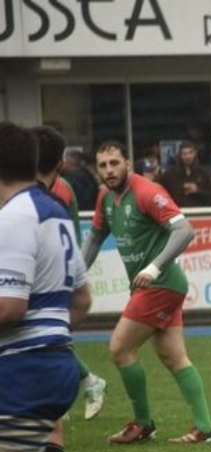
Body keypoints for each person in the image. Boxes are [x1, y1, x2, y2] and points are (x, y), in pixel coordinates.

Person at [0, 121, 151, 452]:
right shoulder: (51, 212)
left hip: (25, 366)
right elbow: (81, 300)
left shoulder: (13, 218)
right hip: (45, 359)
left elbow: (9, 307)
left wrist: (34, 337)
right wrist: (49, 333)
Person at [83, 141, 211, 445]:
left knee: (119, 348)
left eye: (115, 163)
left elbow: (185, 230)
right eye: (103, 165)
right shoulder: (105, 197)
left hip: (161, 284)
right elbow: (94, 238)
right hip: (156, 286)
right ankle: (205, 428)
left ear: (128, 164)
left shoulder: (147, 191)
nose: (109, 170)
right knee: (174, 357)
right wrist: (75, 275)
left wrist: (154, 268)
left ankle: (143, 423)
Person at [32, 126, 109, 422]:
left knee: (41, 333)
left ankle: (80, 386)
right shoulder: (51, 188)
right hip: (58, 269)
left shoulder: (55, 192)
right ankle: (74, 391)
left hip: (50, 272)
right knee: (45, 334)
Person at [159, 140, 211, 208]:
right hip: (177, 210)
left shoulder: (203, 173)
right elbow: (160, 192)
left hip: (198, 211)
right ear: (180, 155)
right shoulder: (170, 174)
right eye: (184, 153)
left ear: (195, 154)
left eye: (190, 153)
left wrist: (198, 190)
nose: (187, 156)